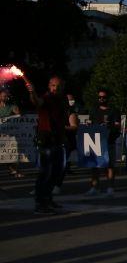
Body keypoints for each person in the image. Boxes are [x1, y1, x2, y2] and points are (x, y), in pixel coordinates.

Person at [25, 76, 77, 214]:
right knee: (46, 172)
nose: (56, 88)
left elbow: (61, 120)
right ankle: (40, 203)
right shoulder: (47, 98)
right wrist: (32, 92)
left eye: (58, 86)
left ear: (63, 87)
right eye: (53, 85)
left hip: (57, 139)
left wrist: (63, 138)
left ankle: (48, 199)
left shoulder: (62, 100)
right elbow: (37, 102)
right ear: (49, 86)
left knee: (56, 172)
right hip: (46, 139)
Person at [86, 87, 121, 197]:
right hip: (96, 141)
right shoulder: (94, 110)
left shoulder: (113, 110)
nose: (101, 99)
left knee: (109, 165)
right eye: (99, 97)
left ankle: (110, 187)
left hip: (109, 140)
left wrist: (108, 126)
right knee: (95, 165)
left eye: (104, 97)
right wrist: (89, 124)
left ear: (108, 98)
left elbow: (117, 125)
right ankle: (94, 187)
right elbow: (90, 122)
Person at [0, 87, 24, 179]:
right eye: (2, 96)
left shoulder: (12, 106)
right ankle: (12, 170)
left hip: (9, 135)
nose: (4, 98)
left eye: (6, 96)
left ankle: (15, 170)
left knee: (11, 153)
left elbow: (19, 116)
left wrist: (16, 113)